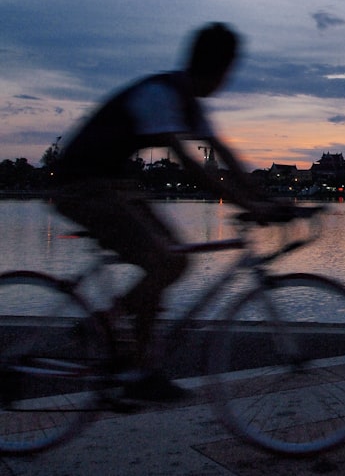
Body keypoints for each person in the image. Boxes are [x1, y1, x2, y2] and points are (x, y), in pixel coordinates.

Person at [54, 23, 279, 400]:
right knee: (167, 262)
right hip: (81, 186)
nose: (228, 81)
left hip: (115, 186)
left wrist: (265, 199)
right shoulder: (162, 94)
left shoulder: (185, 100)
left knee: (169, 260)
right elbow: (193, 166)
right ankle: (103, 324)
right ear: (218, 68)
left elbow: (222, 154)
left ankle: (141, 373)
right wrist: (248, 204)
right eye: (229, 72)